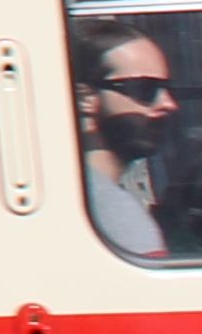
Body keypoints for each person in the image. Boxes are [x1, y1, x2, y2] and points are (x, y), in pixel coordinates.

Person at [73, 28, 175, 259]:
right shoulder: (114, 213)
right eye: (144, 89)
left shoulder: (78, 192)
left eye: (167, 89)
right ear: (85, 98)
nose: (168, 103)